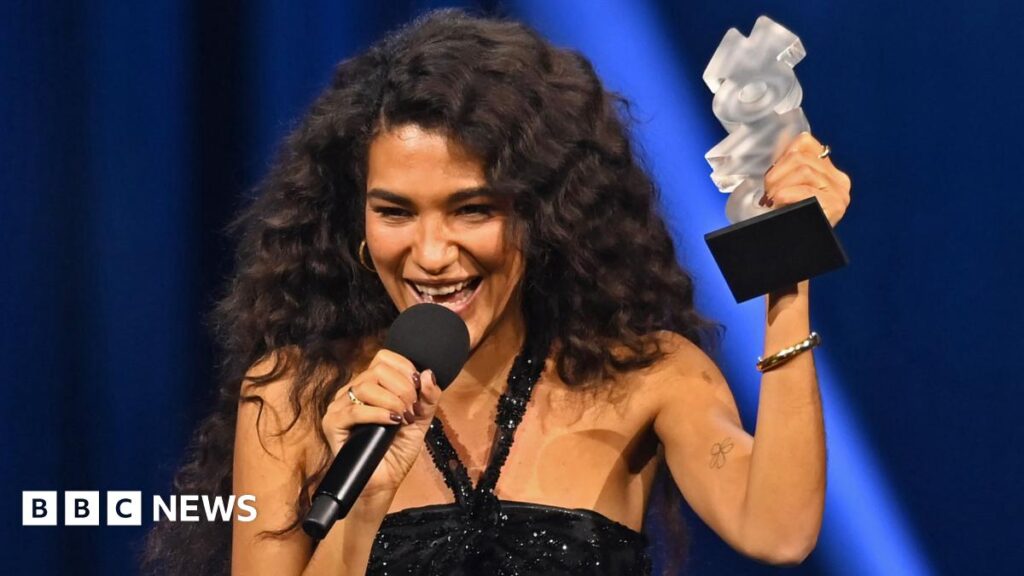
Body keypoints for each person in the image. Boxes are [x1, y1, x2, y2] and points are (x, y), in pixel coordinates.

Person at [142, 9, 850, 576]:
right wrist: (365, 506)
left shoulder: (646, 376)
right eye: (395, 212)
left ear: (542, 214)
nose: (430, 253)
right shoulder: (291, 395)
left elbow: (779, 533)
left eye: (472, 209)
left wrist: (786, 275)